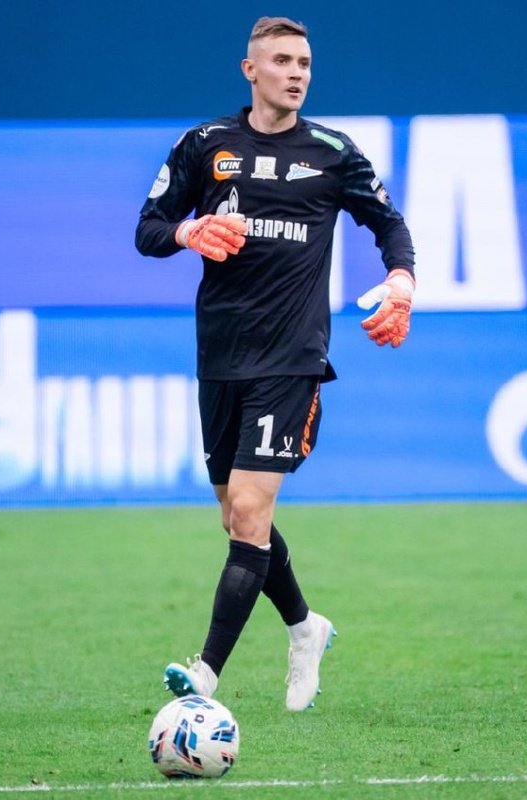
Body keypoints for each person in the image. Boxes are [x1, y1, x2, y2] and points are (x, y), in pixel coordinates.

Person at [134, 16, 415, 712]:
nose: (296, 73)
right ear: (250, 70)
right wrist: (189, 230)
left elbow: (389, 223)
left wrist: (401, 280)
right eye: (283, 60)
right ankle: (304, 626)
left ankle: (205, 675)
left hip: (292, 356)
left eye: (305, 63)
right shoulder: (206, 145)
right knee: (237, 518)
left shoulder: (332, 153)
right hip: (221, 354)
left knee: (252, 508)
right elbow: (147, 230)